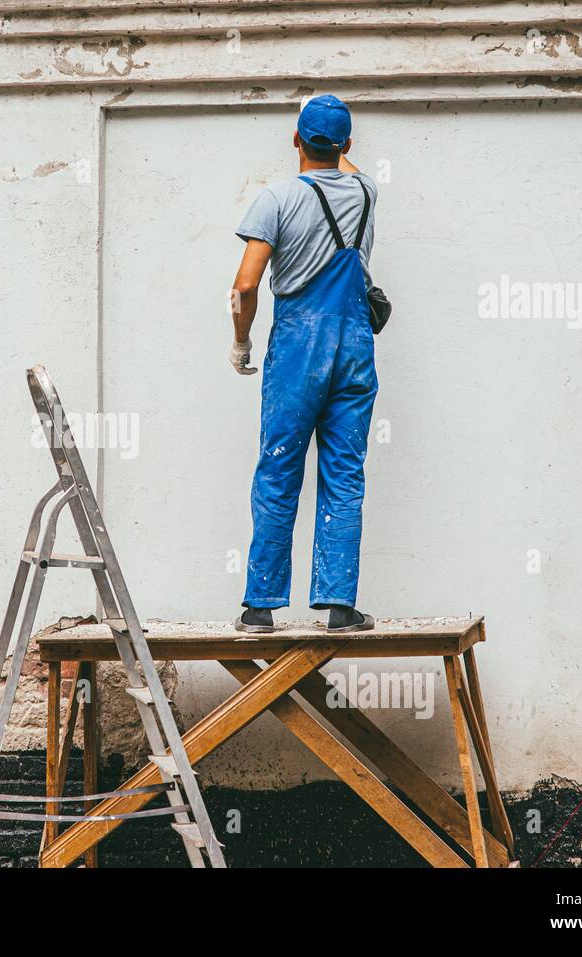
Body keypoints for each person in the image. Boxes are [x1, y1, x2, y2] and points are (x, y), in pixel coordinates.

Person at [229, 94, 379, 635]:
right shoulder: (366, 192)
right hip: (354, 345)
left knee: (278, 468)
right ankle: (339, 605)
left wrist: (242, 341)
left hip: (298, 348)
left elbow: (246, 285)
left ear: (295, 140)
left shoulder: (275, 199)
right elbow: (347, 165)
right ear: (346, 145)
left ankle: (261, 607)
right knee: (344, 474)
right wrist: (336, 140)